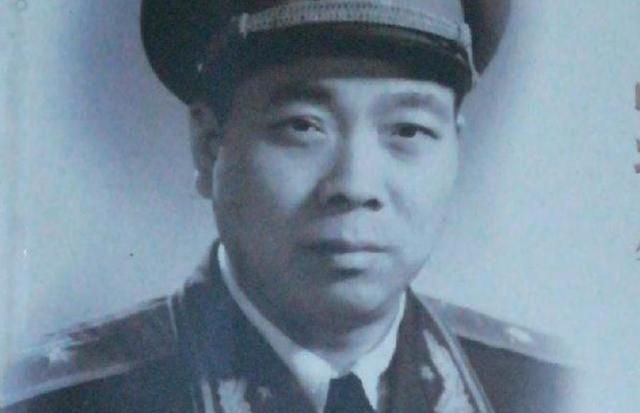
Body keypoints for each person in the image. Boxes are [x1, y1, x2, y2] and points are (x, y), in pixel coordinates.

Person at [1, 0, 575, 412]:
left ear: (456, 148)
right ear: (209, 147)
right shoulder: (58, 401)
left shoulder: (542, 392)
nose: (355, 185)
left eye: (407, 130)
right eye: (303, 126)